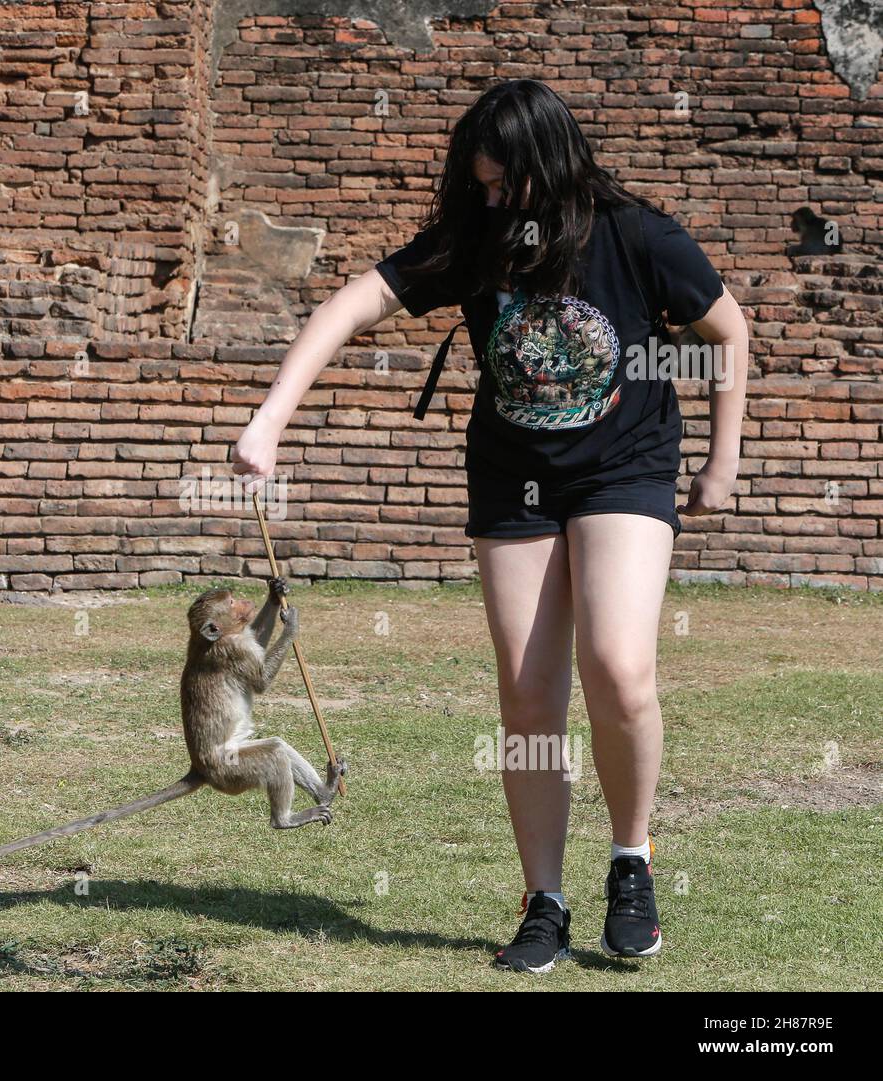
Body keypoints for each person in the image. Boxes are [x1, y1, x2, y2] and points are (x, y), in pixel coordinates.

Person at [231, 79, 749, 973]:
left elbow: (725, 331)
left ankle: (632, 863)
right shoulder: (477, 242)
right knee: (527, 695)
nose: (493, 201)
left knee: (619, 667)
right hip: (516, 483)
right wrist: (271, 418)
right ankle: (543, 897)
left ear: (546, 166)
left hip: (624, 467)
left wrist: (721, 458)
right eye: (482, 187)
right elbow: (351, 305)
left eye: (505, 185)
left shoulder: (632, 232)